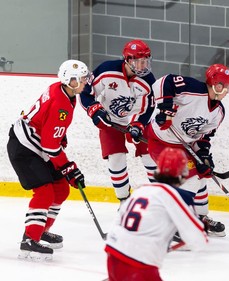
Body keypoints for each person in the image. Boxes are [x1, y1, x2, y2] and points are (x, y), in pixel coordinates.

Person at [7, 59, 91, 260]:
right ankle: (29, 239)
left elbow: (48, 130)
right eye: (81, 79)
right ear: (69, 81)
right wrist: (70, 168)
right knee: (45, 192)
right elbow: (50, 147)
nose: (85, 82)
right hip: (25, 149)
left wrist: (59, 136)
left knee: (61, 189)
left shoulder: (61, 91)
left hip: (37, 145)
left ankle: (40, 228)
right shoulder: (61, 104)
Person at [147, 64, 229, 237]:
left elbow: (203, 137)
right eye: (223, 86)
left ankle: (200, 217)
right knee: (191, 177)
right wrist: (165, 106)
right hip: (162, 141)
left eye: (228, 88)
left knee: (201, 176)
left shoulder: (218, 112)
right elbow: (163, 82)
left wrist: (203, 155)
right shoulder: (193, 89)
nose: (226, 91)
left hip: (184, 146)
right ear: (214, 84)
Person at [105, 147, 208, 281]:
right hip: (139, 263)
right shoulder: (177, 196)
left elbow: (118, 221)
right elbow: (198, 241)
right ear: (183, 172)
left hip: (113, 252)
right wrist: (202, 229)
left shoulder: (141, 190)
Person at [80, 39, 157, 202]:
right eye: (139, 61)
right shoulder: (107, 70)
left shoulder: (149, 81)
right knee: (116, 159)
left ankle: (164, 199)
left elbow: (148, 108)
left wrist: (139, 123)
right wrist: (94, 110)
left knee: (150, 156)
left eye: (146, 61)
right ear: (128, 60)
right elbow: (86, 93)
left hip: (138, 120)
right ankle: (124, 200)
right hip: (111, 120)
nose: (143, 66)